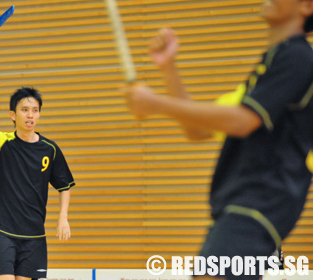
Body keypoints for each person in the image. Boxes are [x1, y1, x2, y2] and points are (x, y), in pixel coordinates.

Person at [125, 0, 313, 279]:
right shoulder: (269, 70)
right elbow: (196, 129)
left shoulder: (297, 57)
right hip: (243, 205)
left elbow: (242, 121)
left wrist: (156, 104)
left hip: (260, 202)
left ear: (306, 6)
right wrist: (168, 69)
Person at [0, 77, 75, 280]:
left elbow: (64, 185)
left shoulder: (50, 149)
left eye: (35, 110)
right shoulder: (0, 143)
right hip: (3, 230)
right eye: (24, 110)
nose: (30, 115)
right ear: (12, 115)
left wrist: (63, 218)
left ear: (39, 114)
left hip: (34, 234)